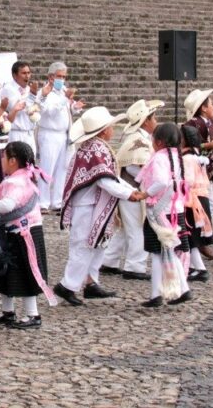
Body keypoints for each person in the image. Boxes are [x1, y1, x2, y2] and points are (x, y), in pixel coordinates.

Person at [53, 107, 147, 306]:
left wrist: (130, 190)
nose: (113, 129)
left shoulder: (94, 147)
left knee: (98, 244)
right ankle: (67, 285)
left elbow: (110, 177)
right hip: (87, 205)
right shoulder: (95, 150)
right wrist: (129, 193)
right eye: (111, 127)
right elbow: (105, 180)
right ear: (104, 130)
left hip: (94, 205)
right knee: (84, 246)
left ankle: (90, 282)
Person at [0, 141, 56, 329]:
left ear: (12, 161)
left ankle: (33, 314)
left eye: (4, 156)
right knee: (5, 272)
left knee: (26, 272)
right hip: (16, 232)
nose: (1, 159)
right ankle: (7, 312)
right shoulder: (26, 178)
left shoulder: (15, 182)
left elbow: (8, 205)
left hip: (23, 234)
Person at [100, 99, 162, 280]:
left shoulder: (138, 138)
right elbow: (134, 168)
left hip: (129, 190)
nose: (156, 121)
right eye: (153, 118)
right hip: (133, 191)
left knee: (125, 228)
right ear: (146, 121)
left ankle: (109, 260)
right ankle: (135, 266)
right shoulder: (139, 140)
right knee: (137, 228)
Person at [139, 122, 192, 307]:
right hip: (176, 209)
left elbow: (161, 182)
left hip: (160, 211)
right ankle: (176, 289)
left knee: (158, 252)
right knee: (170, 250)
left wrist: (145, 193)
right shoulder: (177, 157)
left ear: (159, 142)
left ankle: (162, 292)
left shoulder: (159, 158)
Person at [183, 88, 213, 260]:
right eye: (211, 104)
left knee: (209, 205)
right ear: (204, 108)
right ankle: (199, 240)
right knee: (200, 206)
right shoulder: (192, 125)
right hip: (195, 174)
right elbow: (188, 146)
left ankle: (203, 237)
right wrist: (207, 146)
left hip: (206, 172)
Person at [37, 62, 84, 211]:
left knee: (62, 169)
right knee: (47, 168)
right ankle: (43, 202)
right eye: (59, 76)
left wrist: (75, 107)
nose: (62, 79)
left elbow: (67, 109)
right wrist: (65, 99)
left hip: (64, 134)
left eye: (64, 76)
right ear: (51, 77)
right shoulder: (44, 92)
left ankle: (57, 201)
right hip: (49, 134)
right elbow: (49, 112)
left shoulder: (63, 90)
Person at [181, 126, 213, 280]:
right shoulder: (197, 156)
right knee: (192, 235)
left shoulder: (186, 158)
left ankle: (199, 268)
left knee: (190, 235)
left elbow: (188, 180)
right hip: (201, 197)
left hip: (192, 200)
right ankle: (194, 266)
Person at [0, 61, 40, 156]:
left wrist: (41, 95)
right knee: (17, 162)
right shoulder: (8, 89)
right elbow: (19, 107)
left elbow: (36, 107)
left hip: (29, 134)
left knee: (30, 163)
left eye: (29, 73)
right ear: (14, 75)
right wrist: (32, 95)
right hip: (16, 134)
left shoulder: (29, 89)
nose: (27, 76)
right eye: (24, 73)